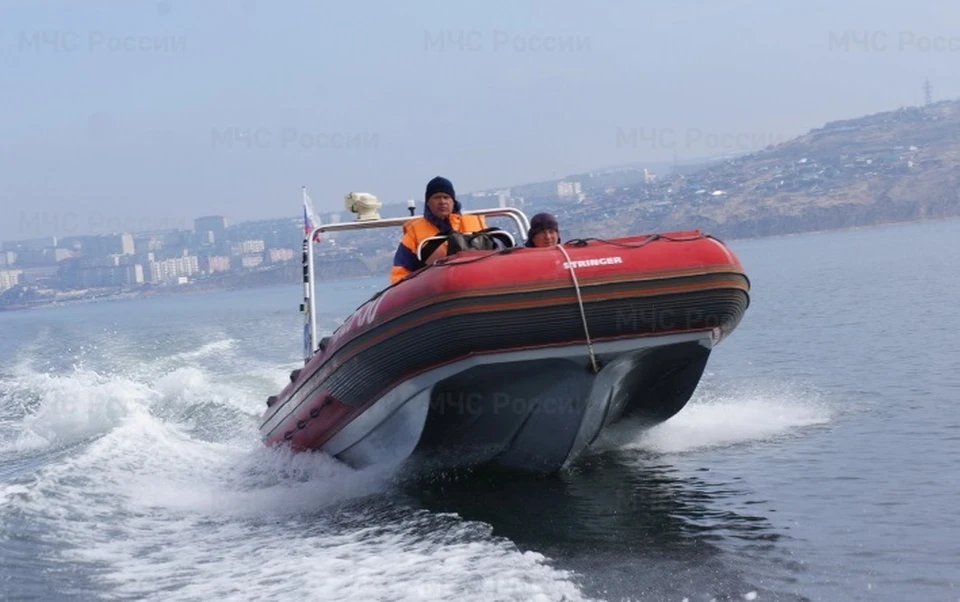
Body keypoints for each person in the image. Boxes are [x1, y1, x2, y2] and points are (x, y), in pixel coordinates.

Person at [390, 176, 488, 284]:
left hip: (477, 280)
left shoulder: (476, 223)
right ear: (428, 203)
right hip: (434, 286)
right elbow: (401, 270)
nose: (442, 202)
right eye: (437, 198)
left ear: (453, 201)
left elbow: (494, 253)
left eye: (446, 197)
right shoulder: (415, 232)